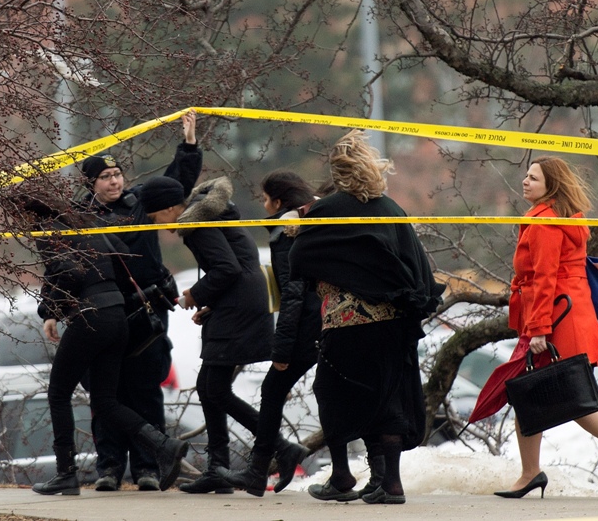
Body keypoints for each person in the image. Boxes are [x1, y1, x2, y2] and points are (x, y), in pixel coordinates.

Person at [288, 130, 445, 505]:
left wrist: (299, 230)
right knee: (387, 397)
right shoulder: (392, 208)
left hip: (347, 323)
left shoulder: (327, 208)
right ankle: (390, 483)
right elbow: (417, 264)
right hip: (392, 324)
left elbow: (300, 259)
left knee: (331, 391)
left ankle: (341, 475)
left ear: (338, 172)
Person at [490, 156, 598, 499]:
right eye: (526, 175)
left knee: (563, 396)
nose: (525, 181)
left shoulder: (546, 222)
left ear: (552, 185)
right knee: (544, 394)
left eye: (533, 178)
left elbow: (546, 278)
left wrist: (538, 330)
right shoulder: (560, 218)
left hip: (557, 320)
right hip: (568, 316)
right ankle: (532, 472)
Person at [16, 195, 188, 496]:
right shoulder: (88, 225)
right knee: (106, 401)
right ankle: (164, 444)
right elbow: (123, 257)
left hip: (90, 317)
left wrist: (53, 310)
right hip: (117, 316)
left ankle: (65, 474)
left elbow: (66, 272)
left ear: (30, 215)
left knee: (58, 393)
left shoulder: (48, 230)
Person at [78, 109, 202, 491]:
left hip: (147, 311)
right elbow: (63, 265)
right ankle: (110, 467)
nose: (114, 181)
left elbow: (174, 182)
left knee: (145, 390)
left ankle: (147, 467)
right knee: (107, 393)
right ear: (92, 183)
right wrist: (51, 309)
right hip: (105, 313)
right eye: (106, 177)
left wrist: (189, 145)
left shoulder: (139, 204)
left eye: (117, 175)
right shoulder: (79, 217)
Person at [139, 174, 281, 495]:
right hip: (236, 303)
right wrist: (212, 306)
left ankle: (280, 447)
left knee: (214, 389)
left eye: (156, 216)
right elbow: (237, 265)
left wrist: (196, 295)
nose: (158, 225)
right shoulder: (207, 215)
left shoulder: (196, 223)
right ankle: (219, 469)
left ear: (172, 208)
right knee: (209, 387)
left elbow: (227, 269)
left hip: (240, 306)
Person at [215, 170, 322, 496]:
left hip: (308, 326)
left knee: (273, 389)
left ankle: (260, 469)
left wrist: (282, 348)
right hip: (331, 320)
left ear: (278, 200)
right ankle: (269, 467)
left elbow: (293, 292)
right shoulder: (315, 218)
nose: (263, 206)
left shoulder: (285, 231)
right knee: (331, 394)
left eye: (265, 199)